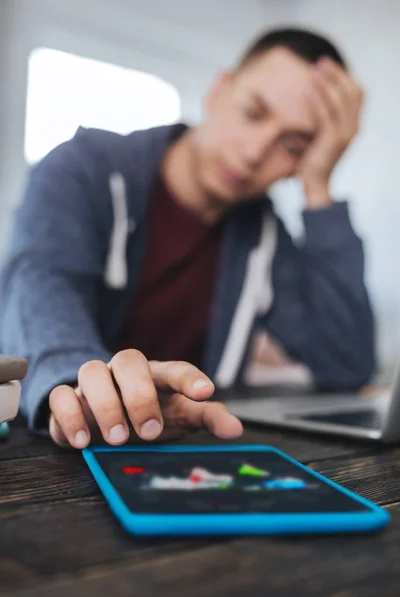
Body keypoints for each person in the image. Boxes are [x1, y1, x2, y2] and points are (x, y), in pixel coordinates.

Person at [0, 27, 375, 449]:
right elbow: (42, 291)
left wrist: (319, 186)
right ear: (219, 90)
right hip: (53, 451)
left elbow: (347, 363)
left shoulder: (264, 236)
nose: (254, 152)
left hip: (172, 449)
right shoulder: (80, 170)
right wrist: (75, 385)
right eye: (253, 112)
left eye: (290, 145)